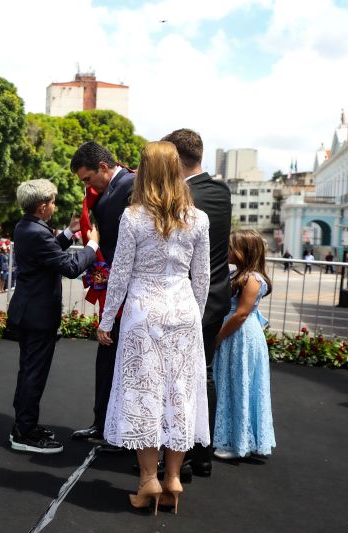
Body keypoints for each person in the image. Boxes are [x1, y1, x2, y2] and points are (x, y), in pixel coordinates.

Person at [96, 141, 210, 515]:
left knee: (143, 392)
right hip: (183, 313)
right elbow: (202, 278)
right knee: (179, 393)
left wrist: (107, 318)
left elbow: (121, 275)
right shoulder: (198, 219)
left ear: (144, 172)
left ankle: (148, 480)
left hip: (144, 314)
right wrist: (195, 315)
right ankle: (174, 478)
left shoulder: (132, 217)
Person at [8, 178, 100, 454]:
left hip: (29, 311)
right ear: (41, 207)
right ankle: (23, 433)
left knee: (30, 372)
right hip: (37, 315)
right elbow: (70, 267)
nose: (54, 206)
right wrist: (92, 246)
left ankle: (26, 424)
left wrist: (69, 234)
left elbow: (46, 253)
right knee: (33, 375)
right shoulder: (36, 231)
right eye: (52, 202)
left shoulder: (28, 226)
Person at [163, 128, 232, 477]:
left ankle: (181, 452)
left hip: (186, 299)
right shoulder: (221, 191)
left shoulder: (184, 199)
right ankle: (202, 452)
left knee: (177, 377)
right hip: (218, 295)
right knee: (203, 375)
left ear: (174, 159)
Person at [70, 141, 136, 449]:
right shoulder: (107, 191)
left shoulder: (133, 186)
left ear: (104, 168)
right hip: (112, 287)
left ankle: (122, 429)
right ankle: (102, 423)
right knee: (106, 356)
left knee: (124, 360)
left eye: (87, 179)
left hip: (130, 289)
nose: (87, 187)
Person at [212, 230, 276, 460]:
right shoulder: (240, 275)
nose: (227, 251)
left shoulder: (252, 279)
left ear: (243, 252)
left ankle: (237, 442)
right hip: (237, 334)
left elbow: (240, 315)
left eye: (231, 247)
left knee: (239, 385)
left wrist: (218, 337)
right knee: (231, 384)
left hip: (240, 335)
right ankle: (233, 437)